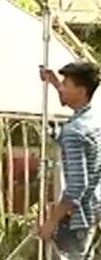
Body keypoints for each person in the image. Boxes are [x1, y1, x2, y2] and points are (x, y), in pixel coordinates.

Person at [38, 61, 101, 259]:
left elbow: (76, 186)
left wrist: (51, 222)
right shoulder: (92, 120)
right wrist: (55, 83)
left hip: (78, 218)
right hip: (93, 210)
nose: (62, 88)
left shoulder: (74, 132)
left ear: (81, 91)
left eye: (66, 84)